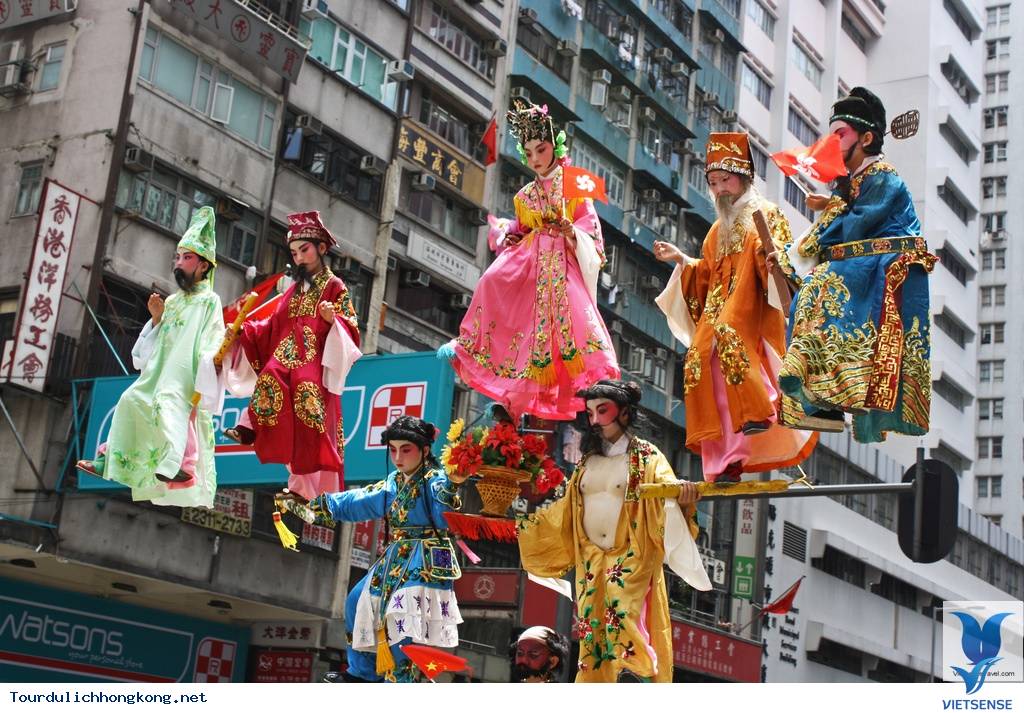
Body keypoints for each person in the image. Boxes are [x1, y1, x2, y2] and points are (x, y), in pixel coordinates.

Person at [517, 380, 712, 682]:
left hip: (631, 554)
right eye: (591, 412)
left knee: (624, 619)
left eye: (602, 410)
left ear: (624, 412)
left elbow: (665, 494)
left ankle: (638, 676)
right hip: (590, 558)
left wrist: (681, 499)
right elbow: (565, 511)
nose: (594, 419)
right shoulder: (585, 462)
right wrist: (521, 528)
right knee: (592, 636)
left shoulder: (646, 456)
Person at [770, 87, 935, 443]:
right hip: (861, 261)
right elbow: (840, 223)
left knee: (821, 284)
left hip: (886, 263)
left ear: (867, 137)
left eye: (839, 134)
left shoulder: (884, 177)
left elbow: (854, 224)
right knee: (812, 288)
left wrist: (801, 245)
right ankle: (821, 396)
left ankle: (810, 370)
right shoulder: (852, 183)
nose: (831, 142)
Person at [442, 100, 619, 420]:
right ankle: (507, 395)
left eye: (542, 149)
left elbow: (590, 229)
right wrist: (509, 234)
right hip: (530, 264)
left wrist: (570, 233)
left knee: (572, 332)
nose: (536, 158)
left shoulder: (574, 184)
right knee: (490, 281)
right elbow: (521, 228)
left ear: (554, 146)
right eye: (530, 152)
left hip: (562, 263)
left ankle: (592, 401)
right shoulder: (524, 196)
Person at [654, 133, 815, 482]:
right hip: (718, 311)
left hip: (751, 307)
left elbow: (781, 261)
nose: (720, 189)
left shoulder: (766, 214)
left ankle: (760, 407)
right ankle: (725, 464)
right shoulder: (717, 230)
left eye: (725, 180)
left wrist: (774, 262)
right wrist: (683, 260)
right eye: (713, 183)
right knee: (697, 359)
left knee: (730, 335)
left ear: (744, 177)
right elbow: (707, 273)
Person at [280, 416, 466, 682]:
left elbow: (443, 515)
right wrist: (313, 506)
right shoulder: (395, 482)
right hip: (396, 556)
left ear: (425, 451)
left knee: (403, 617)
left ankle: (403, 679)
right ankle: (362, 673)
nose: (398, 457)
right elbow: (361, 499)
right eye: (393, 450)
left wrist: (453, 486)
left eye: (406, 449)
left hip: (425, 558)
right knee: (357, 601)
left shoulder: (435, 480)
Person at [76, 207, 225, 508]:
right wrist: (156, 319)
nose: (180, 263)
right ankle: (109, 460)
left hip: (185, 376)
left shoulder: (210, 301)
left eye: (187, 258)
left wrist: (209, 366)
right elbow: (145, 351)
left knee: (169, 404)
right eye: (178, 257)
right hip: (159, 372)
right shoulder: (170, 302)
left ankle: (179, 467)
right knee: (131, 399)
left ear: (204, 266)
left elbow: (214, 337)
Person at [224, 211, 361, 500]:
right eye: (294, 252)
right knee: (270, 378)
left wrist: (330, 319)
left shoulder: (335, 286)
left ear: (322, 249)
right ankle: (249, 429)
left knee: (307, 404)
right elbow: (273, 324)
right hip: (287, 354)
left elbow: (351, 327)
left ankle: (303, 489)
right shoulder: (294, 290)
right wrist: (243, 331)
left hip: (315, 361)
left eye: (305, 250)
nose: (299, 257)